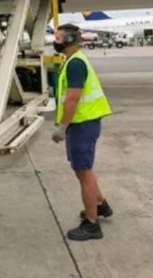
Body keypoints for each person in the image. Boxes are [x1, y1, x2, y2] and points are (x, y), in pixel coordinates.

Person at [51, 23, 113, 241]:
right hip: (84, 122)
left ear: (68, 41)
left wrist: (62, 126)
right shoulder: (73, 60)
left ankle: (92, 224)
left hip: (82, 124)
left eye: (58, 39)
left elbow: (73, 98)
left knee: (83, 172)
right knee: (83, 169)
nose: (54, 42)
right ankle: (100, 204)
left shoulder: (75, 64)